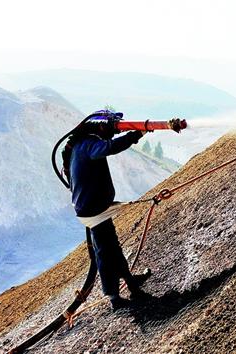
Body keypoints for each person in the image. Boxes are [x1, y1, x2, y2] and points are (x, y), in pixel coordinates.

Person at [67, 110, 151, 311]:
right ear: (101, 127)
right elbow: (109, 147)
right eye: (112, 125)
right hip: (93, 210)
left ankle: (130, 282)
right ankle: (113, 297)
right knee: (105, 252)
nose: (113, 130)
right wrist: (136, 134)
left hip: (92, 207)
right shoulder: (89, 144)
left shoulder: (80, 144)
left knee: (111, 246)